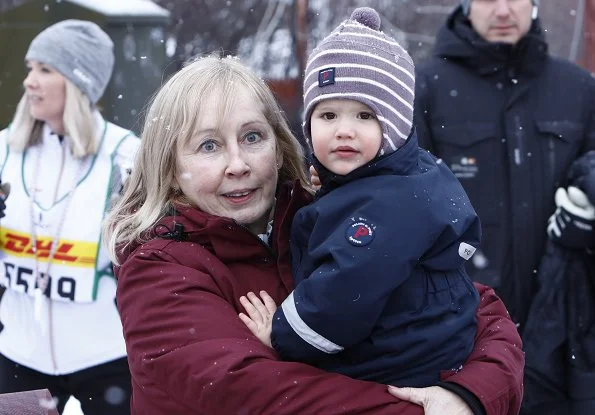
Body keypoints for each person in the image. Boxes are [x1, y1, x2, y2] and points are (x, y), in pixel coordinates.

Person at [103, 53, 524, 415]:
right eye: (209, 146)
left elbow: (475, 307)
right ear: (170, 166)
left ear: (280, 143)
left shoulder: (325, 218)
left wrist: (471, 394)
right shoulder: (158, 268)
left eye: (252, 137)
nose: (238, 164)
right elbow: (262, 396)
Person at [238, 7, 480, 389]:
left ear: (396, 124)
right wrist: (332, 185)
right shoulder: (399, 175)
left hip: (397, 366)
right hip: (418, 349)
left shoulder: (390, 206)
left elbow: (342, 295)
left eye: (365, 116)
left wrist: (283, 335)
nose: (344, 131)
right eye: (328, 115)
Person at [414, 0, 595, 412]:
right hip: (462, 333)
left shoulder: (579, 90)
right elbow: (399, 198)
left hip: (562, 333)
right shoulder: (425, 89)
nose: (502, 10)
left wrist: (589, 213)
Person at [0, 20, 140, 414]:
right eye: (30, 69)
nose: (30, 81)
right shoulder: (5, 151)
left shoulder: (126, 156)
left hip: (106, 357)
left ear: (79, 83)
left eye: (45, 70)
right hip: (18, 356)